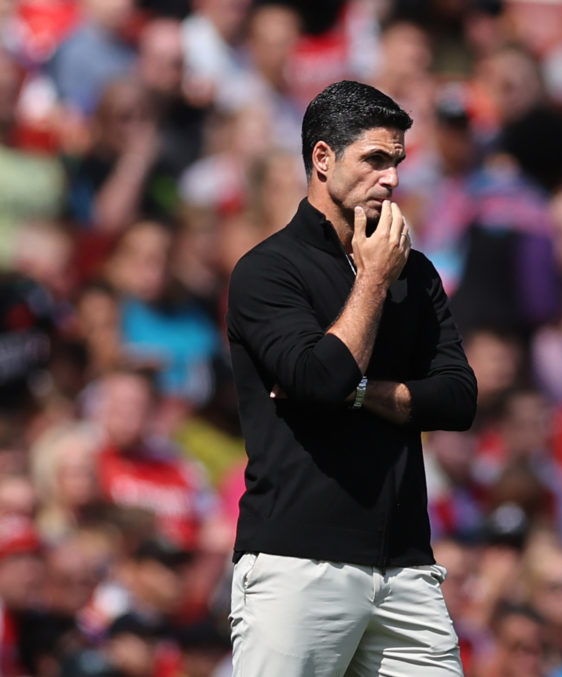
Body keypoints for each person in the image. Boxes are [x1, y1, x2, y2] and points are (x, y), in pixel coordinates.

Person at [225, 80, 477, 675]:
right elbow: (318, 381)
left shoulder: (413, 271)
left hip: (406, 566)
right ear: (322, 159)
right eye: (374, 159)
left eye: (397, 162)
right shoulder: (267, 271)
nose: (390, 179)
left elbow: (458, 399)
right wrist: (370, 284)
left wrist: (360, 391)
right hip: (298, 561)